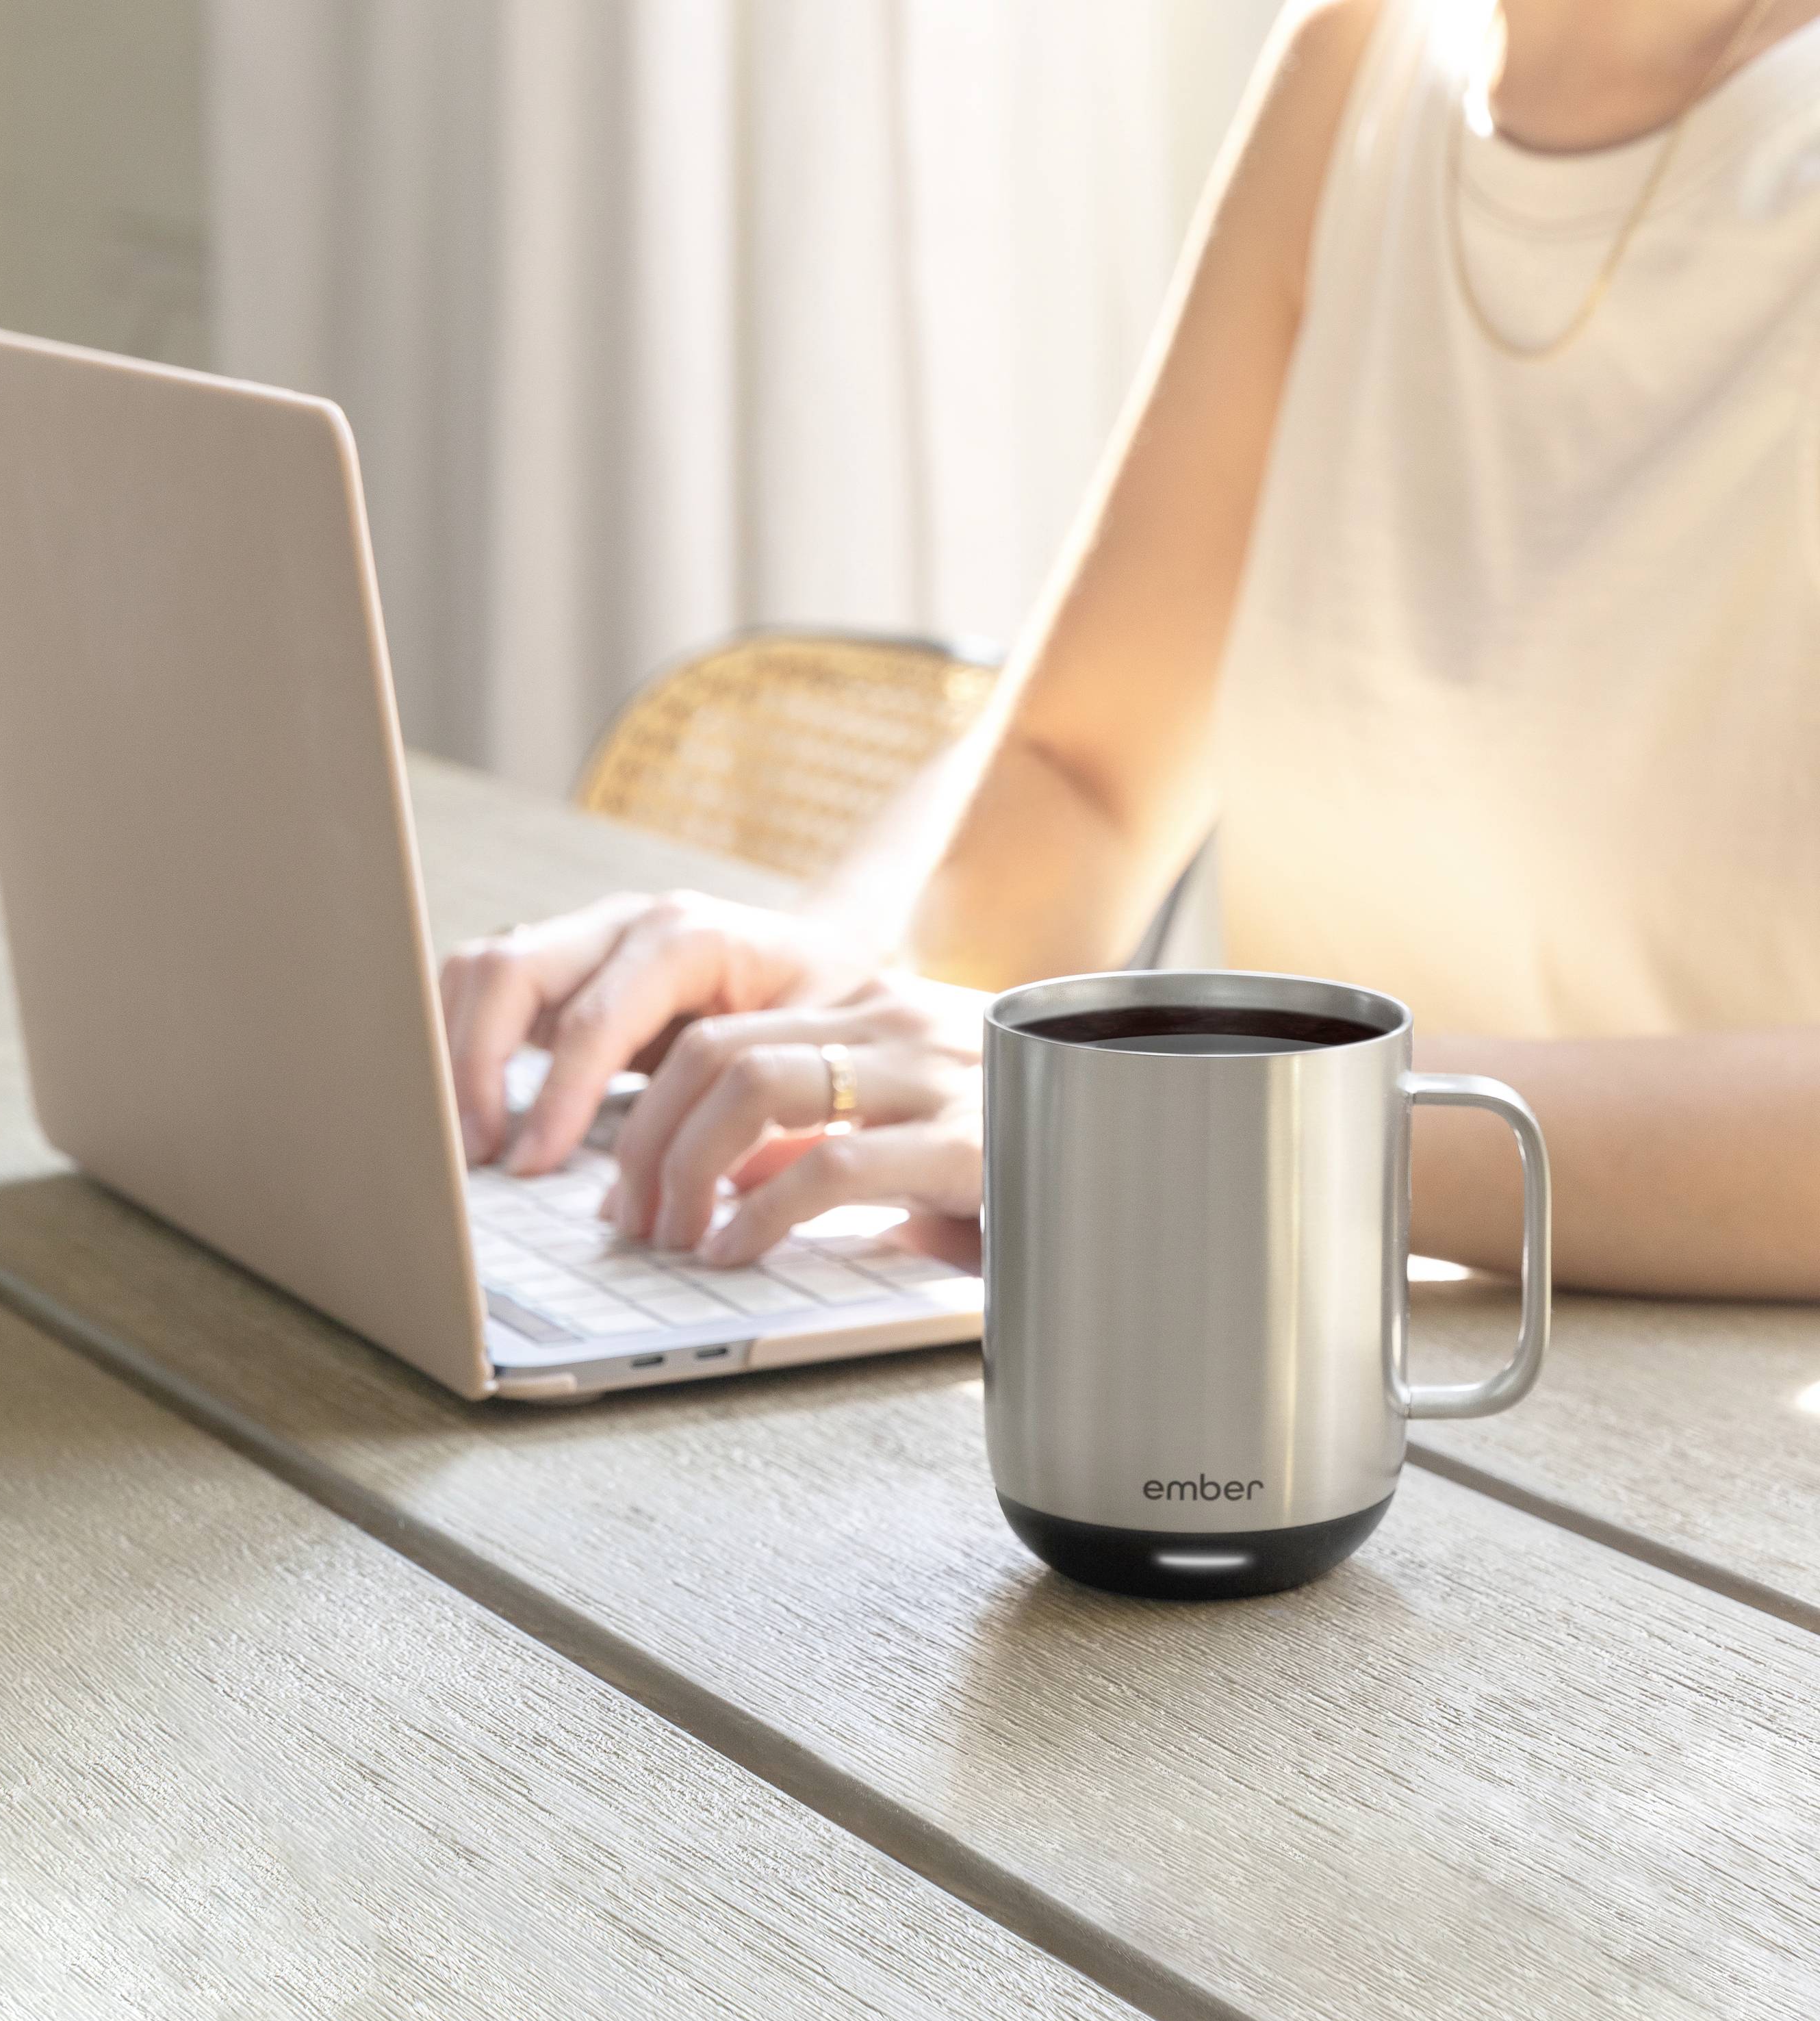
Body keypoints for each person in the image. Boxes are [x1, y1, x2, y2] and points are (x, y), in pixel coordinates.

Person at [440, 0, 1820, 1299]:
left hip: (1700, 1488)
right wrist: (839, 996)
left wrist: (1170, 1122)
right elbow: (1079, 771)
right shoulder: (1362, 56)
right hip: (1273, 1360)